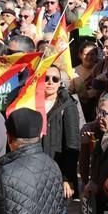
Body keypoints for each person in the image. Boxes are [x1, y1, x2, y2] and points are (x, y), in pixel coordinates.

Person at [43, 65, 80, 201]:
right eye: (45, 78)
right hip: (36, 172)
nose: (50, 82)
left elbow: (73, 144)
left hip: (57, 173)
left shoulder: (68, 106)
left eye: (55, 79)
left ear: (60, 83)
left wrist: (67, 178)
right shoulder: (31, 103)